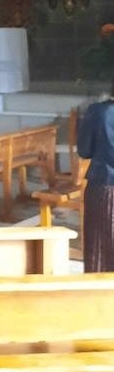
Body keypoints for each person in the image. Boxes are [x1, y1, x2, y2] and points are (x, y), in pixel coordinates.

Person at [77, 89, 114, 272]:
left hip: (104, 185)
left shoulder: (98, 112)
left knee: (99, 243)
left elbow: (84, 150)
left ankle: (98, 293)